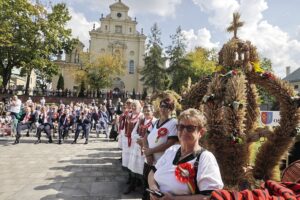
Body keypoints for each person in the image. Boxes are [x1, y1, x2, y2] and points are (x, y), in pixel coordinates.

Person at [148, 108, 223, 200]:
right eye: (181, 127)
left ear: (201, 132)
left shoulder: (205, 158)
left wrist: (173, 199)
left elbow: (209, 196)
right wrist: (154, 189)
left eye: (190, 128)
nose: (184, 131)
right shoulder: (172, 150)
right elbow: (152, 172)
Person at [142, 97, 178, 200]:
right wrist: (148, 154)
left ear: (171, 109)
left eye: (167, 106)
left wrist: (151, 151)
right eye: (162, 106)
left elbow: (169, 144)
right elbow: (145, 138)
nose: (163, 108)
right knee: (145, 189)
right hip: (148, 161)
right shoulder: (154, 122)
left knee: (156, 193)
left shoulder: (173, 123)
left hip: (160, 163)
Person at [127, 104, 157, 196]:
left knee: (144, 171)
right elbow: (133, 133)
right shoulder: (141, 120)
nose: (146, 112)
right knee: (134, 167)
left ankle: (145, 190)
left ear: (153, 111)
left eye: (148, 110)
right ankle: (132, 185)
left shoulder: (155, 122)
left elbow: (154, 137)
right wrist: (139, 140)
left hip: (146, 150)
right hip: (137, 147)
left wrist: (143, 141)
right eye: (145, 111)